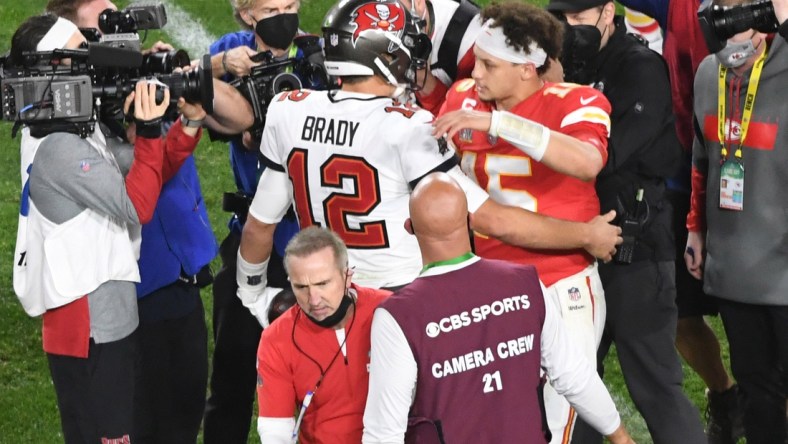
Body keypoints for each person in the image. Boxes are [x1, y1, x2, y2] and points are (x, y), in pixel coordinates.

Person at [236, 0, 623, 328]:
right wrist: (585, 236)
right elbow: (490, 219)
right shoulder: (410, 128)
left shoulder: (289, 110)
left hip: (327, 299)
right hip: (403, 301)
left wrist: (252, 295)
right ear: (387, 55)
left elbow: (259, 225)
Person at [10, 14, 205, 443]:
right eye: (82, 52)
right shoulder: (58, 147)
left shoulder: (69, 129)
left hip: (105, 316)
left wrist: (187, 125)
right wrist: (150, 127)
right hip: (89, 327)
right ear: (52, 69)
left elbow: (144, 174)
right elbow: (137, 205)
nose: (94, 60)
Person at [431, 3, 613, 441]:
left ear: (528, 69)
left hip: (558, 280)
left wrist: (500, 123)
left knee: (559, 415)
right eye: (477, 60)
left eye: (490, 64)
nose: (476, 73)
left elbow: (588, 162)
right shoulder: (461, 98)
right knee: (486, 414)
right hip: (485, 282)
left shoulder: (579, 101)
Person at [362, 172, 633, 443]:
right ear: (469, 221)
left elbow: (384, 433)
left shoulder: (398, 317)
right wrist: (620, 436)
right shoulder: (526, 283)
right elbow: (575, 375)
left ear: (409, 228)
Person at [545, 0, 707, 441]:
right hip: (575, 254)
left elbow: (601, 159)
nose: (568, 28)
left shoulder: (639, 68)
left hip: (636, 253)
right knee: (572, 384)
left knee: (654, 385)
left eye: (578, 18)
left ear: (607, 12)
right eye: (561, 19)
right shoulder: (557, 64)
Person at [202, 0, 320, 440]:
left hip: (310, 237)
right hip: (254, 235)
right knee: (232, 372)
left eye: (290, 4)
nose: (284, 14)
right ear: (247, 14)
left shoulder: (315, 51)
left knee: (318, 372)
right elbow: (191, 82)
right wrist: (223, 66)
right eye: (271, 6)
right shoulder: (232, 50)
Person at [686, 0, 788, 441]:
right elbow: (702, 158)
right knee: (757, 386)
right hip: (737, 264)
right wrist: (696, 228)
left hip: (783, 258)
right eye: (724, 5)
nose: (730, 15)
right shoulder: (710, 73)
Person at [255, 227, 391, 443]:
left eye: (322, 284)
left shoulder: (391, 311)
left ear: (347, 276)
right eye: (301, 287)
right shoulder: (276, 340)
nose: (314, 299)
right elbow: (276, 430)